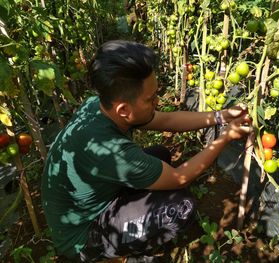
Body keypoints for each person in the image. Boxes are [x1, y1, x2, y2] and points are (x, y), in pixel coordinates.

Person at [41, 40, 252, 262]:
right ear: (124, 110)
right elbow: (180, 178)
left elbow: (168, 119)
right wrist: (226, 137)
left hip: (91, 200)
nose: (157, 102)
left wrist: (221, 116)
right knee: (180, 208)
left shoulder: (98, 105)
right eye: (150, 99)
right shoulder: (114, 151)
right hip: (82, 237)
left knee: (160, 154)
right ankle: (116, 255)